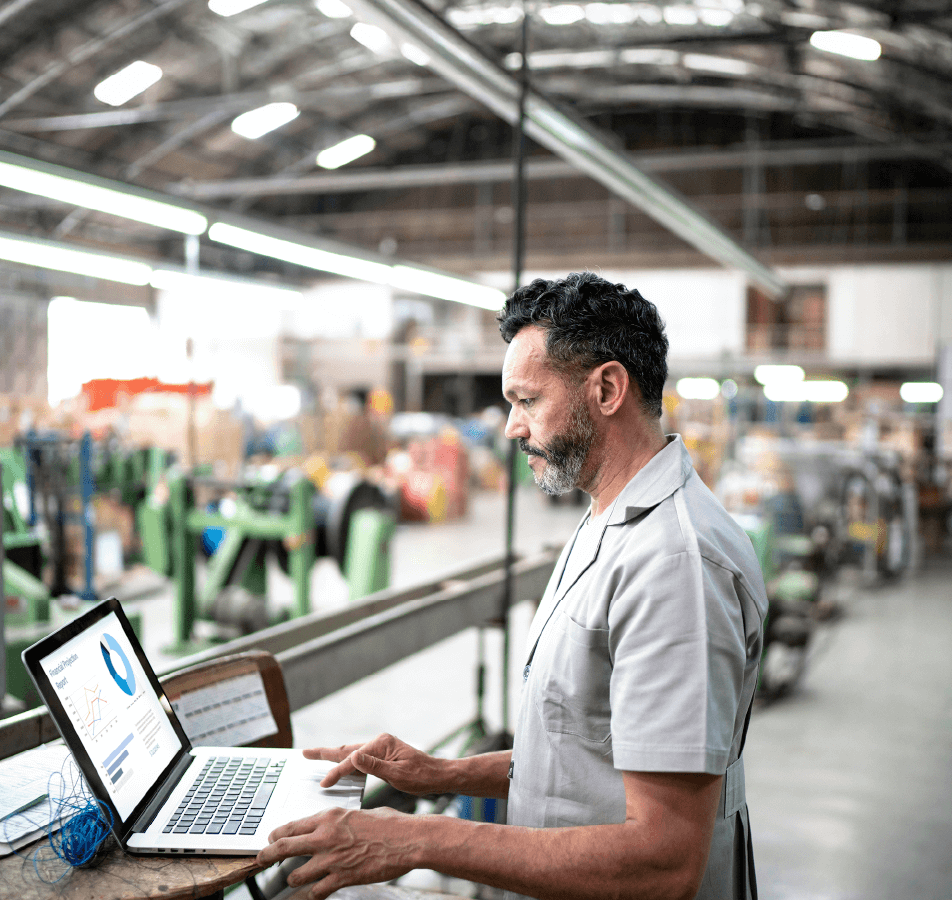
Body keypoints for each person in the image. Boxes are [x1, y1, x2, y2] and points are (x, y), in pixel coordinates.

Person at [257, 272, 769, 900]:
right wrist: (442, 773)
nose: (510, 428)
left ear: (607, 388)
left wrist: (418, 839)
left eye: (526, 401)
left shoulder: (674, 564)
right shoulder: (608, 517)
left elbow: (665, 859)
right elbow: (586, 757)